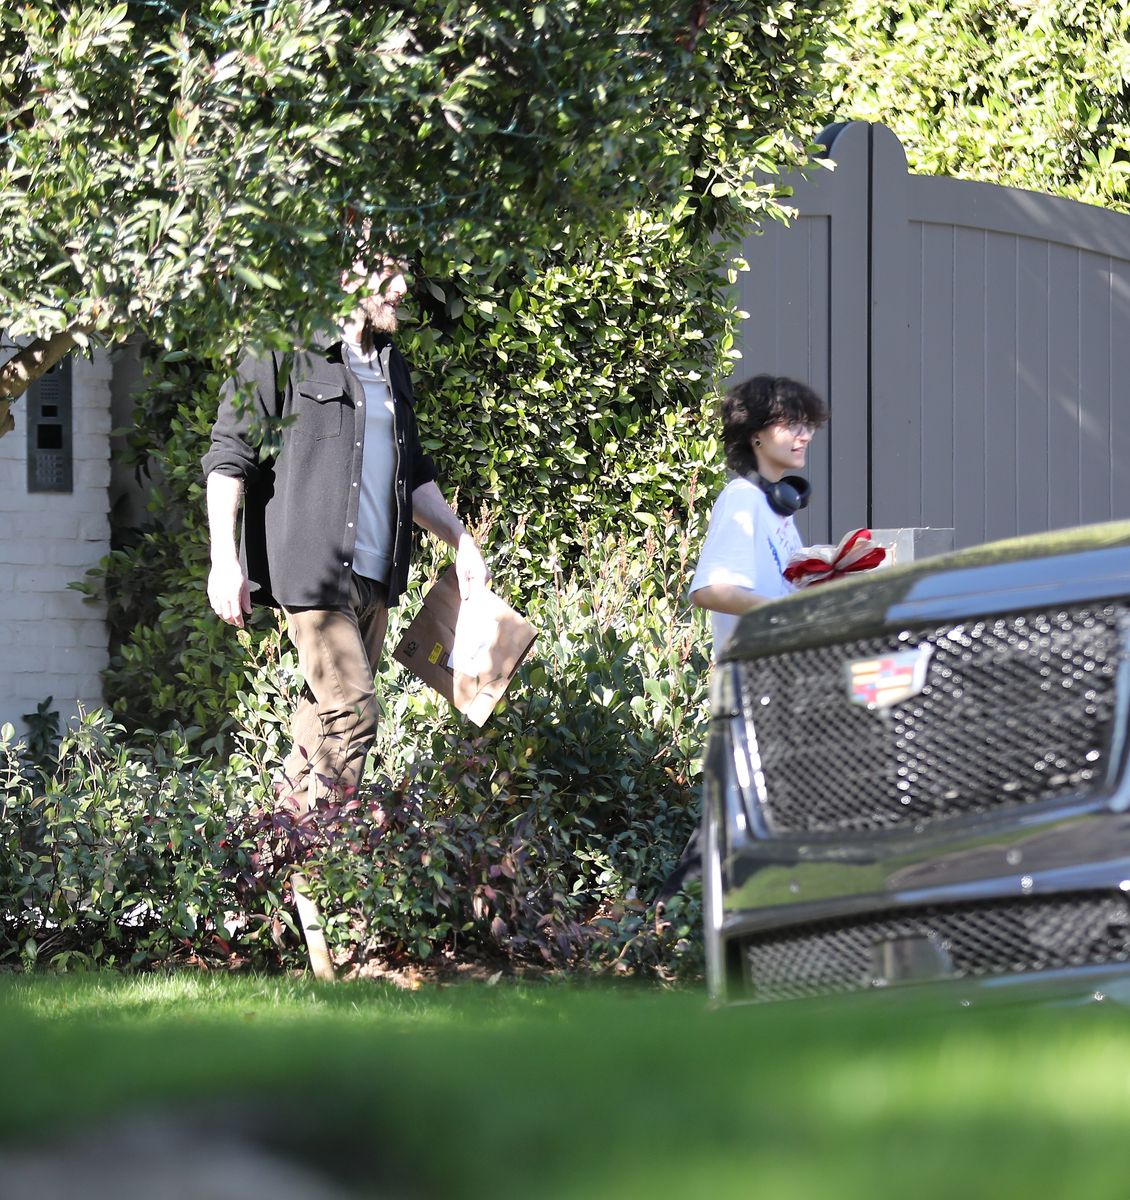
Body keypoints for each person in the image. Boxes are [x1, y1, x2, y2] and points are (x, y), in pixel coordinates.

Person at [202, 256, 489, 811]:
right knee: (354, 713)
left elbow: (414, 476)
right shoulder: (281, 345)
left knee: (321, 726)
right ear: (342, 273)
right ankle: (330, 869)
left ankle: (275, 864)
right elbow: (228, 455)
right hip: (312, 574)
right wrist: (223, 558)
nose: (403, 288)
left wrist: (460, 539)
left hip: (375, 579)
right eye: (388, 275)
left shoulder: (388, 363)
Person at [689, 374, 828, 654]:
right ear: (755, 434)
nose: (806, 435)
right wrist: (786, 614)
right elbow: (710, 590)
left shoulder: (776, 505)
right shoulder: (742, 497)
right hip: (755, 683)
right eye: (792, 424)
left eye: (808, 425)